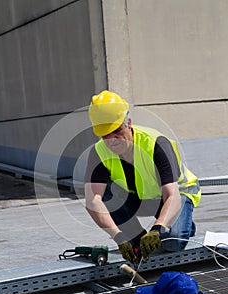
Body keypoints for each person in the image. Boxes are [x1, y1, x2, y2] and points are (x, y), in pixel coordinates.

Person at [84, 90, 201, 264]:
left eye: (116, 131)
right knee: (101, 194)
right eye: (105, 135)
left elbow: (172, 195)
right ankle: (137, 236)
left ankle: (184, 224)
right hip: (138, 198)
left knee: (173, 241)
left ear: (128, 123)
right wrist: (119, 237)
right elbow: (93, 201)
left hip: (175, 196)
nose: (112, 139)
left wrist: (158, 229)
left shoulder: (156, 143)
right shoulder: (99, 151)